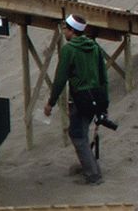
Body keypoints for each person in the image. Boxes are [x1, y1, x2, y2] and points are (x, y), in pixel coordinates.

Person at [43, 15, 109, 185]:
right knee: (82, 132)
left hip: (80, 97)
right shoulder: (94, 46)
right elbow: (103, 76)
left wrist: (51, 102)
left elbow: (60, 78)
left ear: (72, 30)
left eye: (65, 28)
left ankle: (92, 175)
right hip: (96, 96)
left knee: (77, 135)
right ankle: (92, 168)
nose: (64, 31)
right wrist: (105, 102)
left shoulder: (69, 49)